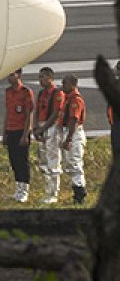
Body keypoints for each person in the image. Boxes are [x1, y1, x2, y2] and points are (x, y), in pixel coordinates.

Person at [32, 66, 65, 205]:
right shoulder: (41, 94)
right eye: (39, 77)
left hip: (52, 127)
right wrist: (35, 128)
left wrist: (43, 128)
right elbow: (37, 110)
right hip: (41, 126)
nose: (40, 80)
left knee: (53, 159)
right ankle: (47, 189)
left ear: (50, 78)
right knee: (43, 160)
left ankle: (53, 192)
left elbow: (56, 113)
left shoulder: (57, 93)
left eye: (42, 77)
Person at [1, 68, 34, 203]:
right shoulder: (8, 92)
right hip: (11, 129)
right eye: (8, 75)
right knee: (13, 161)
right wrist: (4, 133)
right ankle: (18, 188)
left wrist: (26, 134)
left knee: (22, 161)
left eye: (12, 75)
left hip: (21, 130)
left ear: (19, 75)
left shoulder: (26, 92)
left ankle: (24, 190)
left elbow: (29, 114)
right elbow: (8, 113)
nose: (10, 78)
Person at [59, 75, 88, 204]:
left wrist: (69, 139)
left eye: (65, 83)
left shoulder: (75, 100)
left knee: (75, 163)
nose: (62, 85)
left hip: (74, 134)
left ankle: (79, 192)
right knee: (69, 163)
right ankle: (77, 189)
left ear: (73, 84)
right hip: (69, 132)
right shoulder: (67, 99)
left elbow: (74, 120)